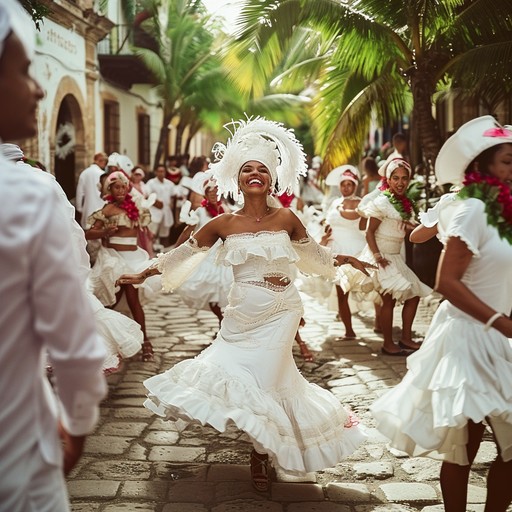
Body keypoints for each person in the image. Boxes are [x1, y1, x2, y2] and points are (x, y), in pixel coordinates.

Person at [117, 116, 373, 491]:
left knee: (268, 377)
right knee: (242, 375)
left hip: (283, 309)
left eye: (262, 170)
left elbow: (314, 256)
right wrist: (144, 273)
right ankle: (263, 443)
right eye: (248, 170)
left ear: (271, 179)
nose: (255, 175)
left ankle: (260, 453)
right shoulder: (222, 223)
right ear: (237, 180)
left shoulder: (287, 217)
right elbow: (184, 253)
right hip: (242, 315)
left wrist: (346, 260)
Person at [371, 115, 512, 512]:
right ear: (482, 166)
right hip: (467, 336)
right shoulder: (469, 210)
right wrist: (501, 322)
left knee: (509, 450)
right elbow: (447, 282)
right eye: (506, 160)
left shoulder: (505, 214)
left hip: (501, 341)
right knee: (464, 445)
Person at [0, 2, 107, 509]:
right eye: (23, 70)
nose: (39, 87)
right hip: (16, 453)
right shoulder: (28, 193)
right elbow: (73, 343)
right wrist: (78, 424)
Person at [356, 157, 431, 355]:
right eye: (395, 178)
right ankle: (388, 344)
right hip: (380, 256)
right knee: (388, 300)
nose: (400, 182)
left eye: (404, 178)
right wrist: (377, 256)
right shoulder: (382, 202)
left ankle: (406, 338)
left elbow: (401, 230)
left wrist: (411, 227)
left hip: (395, 257)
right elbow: (369, 232)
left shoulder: (405, 204)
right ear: (388, 180)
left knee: (414, 295)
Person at [86, 171, 157, 361]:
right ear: (109, 189)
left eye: (123, 186)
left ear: (128, 188)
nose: (120, 190)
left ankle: (143, 342)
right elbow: (88, 233)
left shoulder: (136, 208)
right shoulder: (107, 210)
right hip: (114, 259)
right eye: (115, 187)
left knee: (132, 299)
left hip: (133, 259)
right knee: (112, 301)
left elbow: (144, 233)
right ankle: (116, 340)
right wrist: (104, 232)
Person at [174, 175, 233, 328]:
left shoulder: (226, 210)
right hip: (207, 256)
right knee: (211, 292)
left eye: (216, 191)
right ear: (205, 194)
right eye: (210, 191)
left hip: (224, 256)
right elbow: (188, 233)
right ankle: (221, 321)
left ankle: (225, 324)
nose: (213, 194)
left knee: (226, 292)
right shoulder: (200, 212)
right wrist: (175, 251)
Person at [322, 165, 367, 340]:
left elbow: (358, 218)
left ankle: (379, 323)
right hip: (336, 249)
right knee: (341, 291)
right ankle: (349, 330)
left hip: (356, 249)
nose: (346, 187)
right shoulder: (334, 202)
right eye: (343, 184)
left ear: (355, 185)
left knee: (371, 288)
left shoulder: (361, 203)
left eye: (350, 184)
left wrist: (342, 211)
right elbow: (329, 221)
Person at [146, 163, 177, 250]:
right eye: (159, 171)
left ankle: (165, 252)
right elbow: (146, 195)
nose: (161, 173)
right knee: (152, 233)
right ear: (156, 172)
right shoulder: (151, 183)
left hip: (166, 211)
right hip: (154, 211)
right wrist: (156, 203)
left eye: (162, 171)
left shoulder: (169, 184)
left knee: (165, 234)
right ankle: (151, 251)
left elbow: (174, 195)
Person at [75, 151, 108, 228]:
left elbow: (79, 192)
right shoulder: (102, 175)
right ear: (99, 161)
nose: (105, 164)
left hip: (88, 210)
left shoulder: (84, 173)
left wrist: (79, 208)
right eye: (104, 161)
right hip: (101, 209)